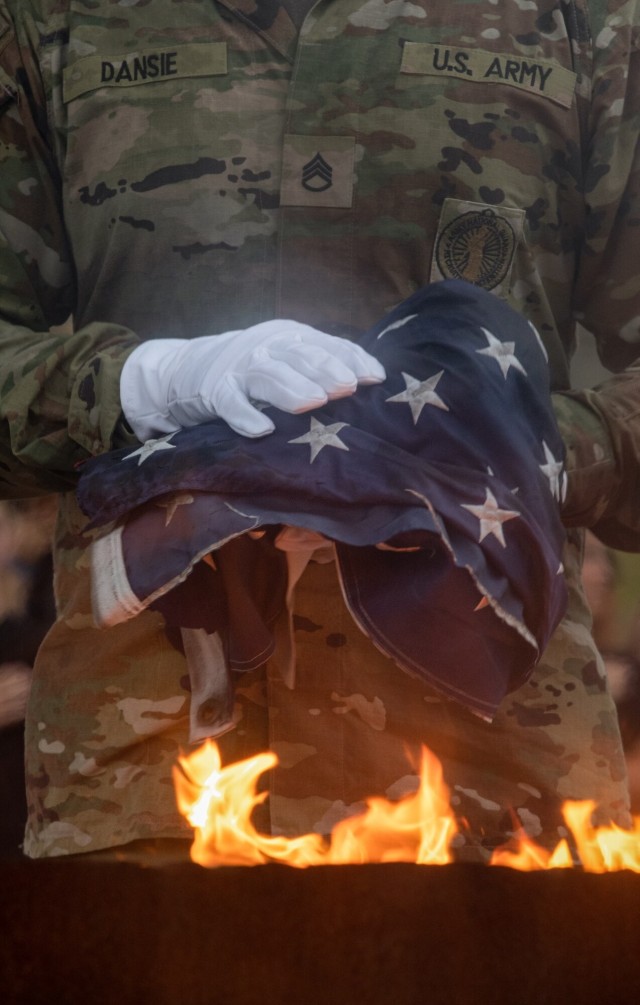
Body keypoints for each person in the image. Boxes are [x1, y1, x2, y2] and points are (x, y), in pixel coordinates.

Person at [0, 0, 638, 862]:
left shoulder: (584, 22)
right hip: (152, 777)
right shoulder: (50, 21)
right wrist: (141, 382)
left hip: (493, 782)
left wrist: (530, 451)